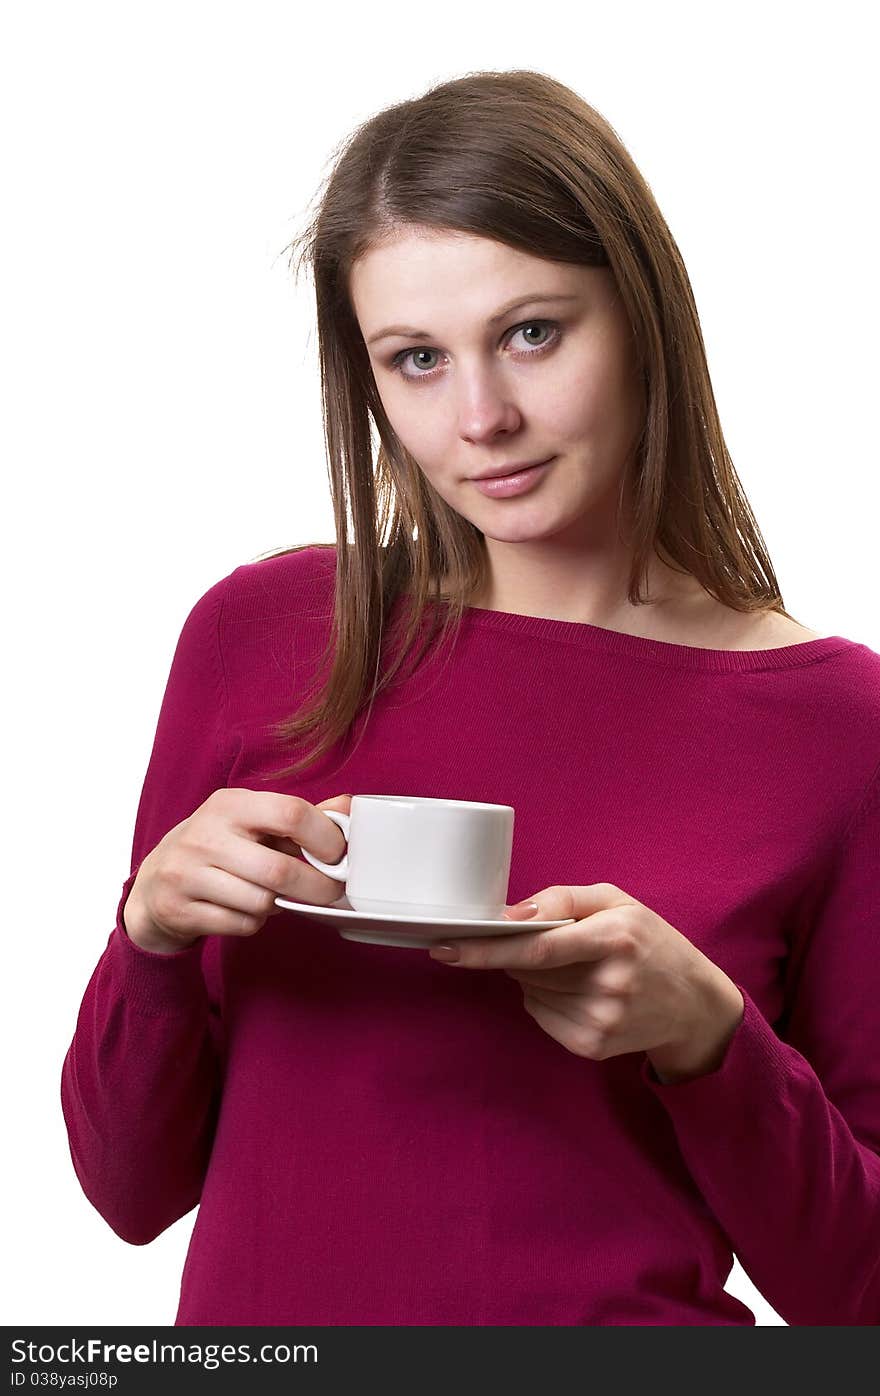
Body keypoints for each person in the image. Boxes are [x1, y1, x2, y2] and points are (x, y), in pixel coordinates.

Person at [60, 68, 880, 1327]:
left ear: (643, 315)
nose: (482, 417)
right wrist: (154, 940)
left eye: (533, 332)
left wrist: (710, 1038)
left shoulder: (834, 723)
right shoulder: (260, 636)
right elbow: (127, 1188)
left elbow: (860, 1292)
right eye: (418, 359)